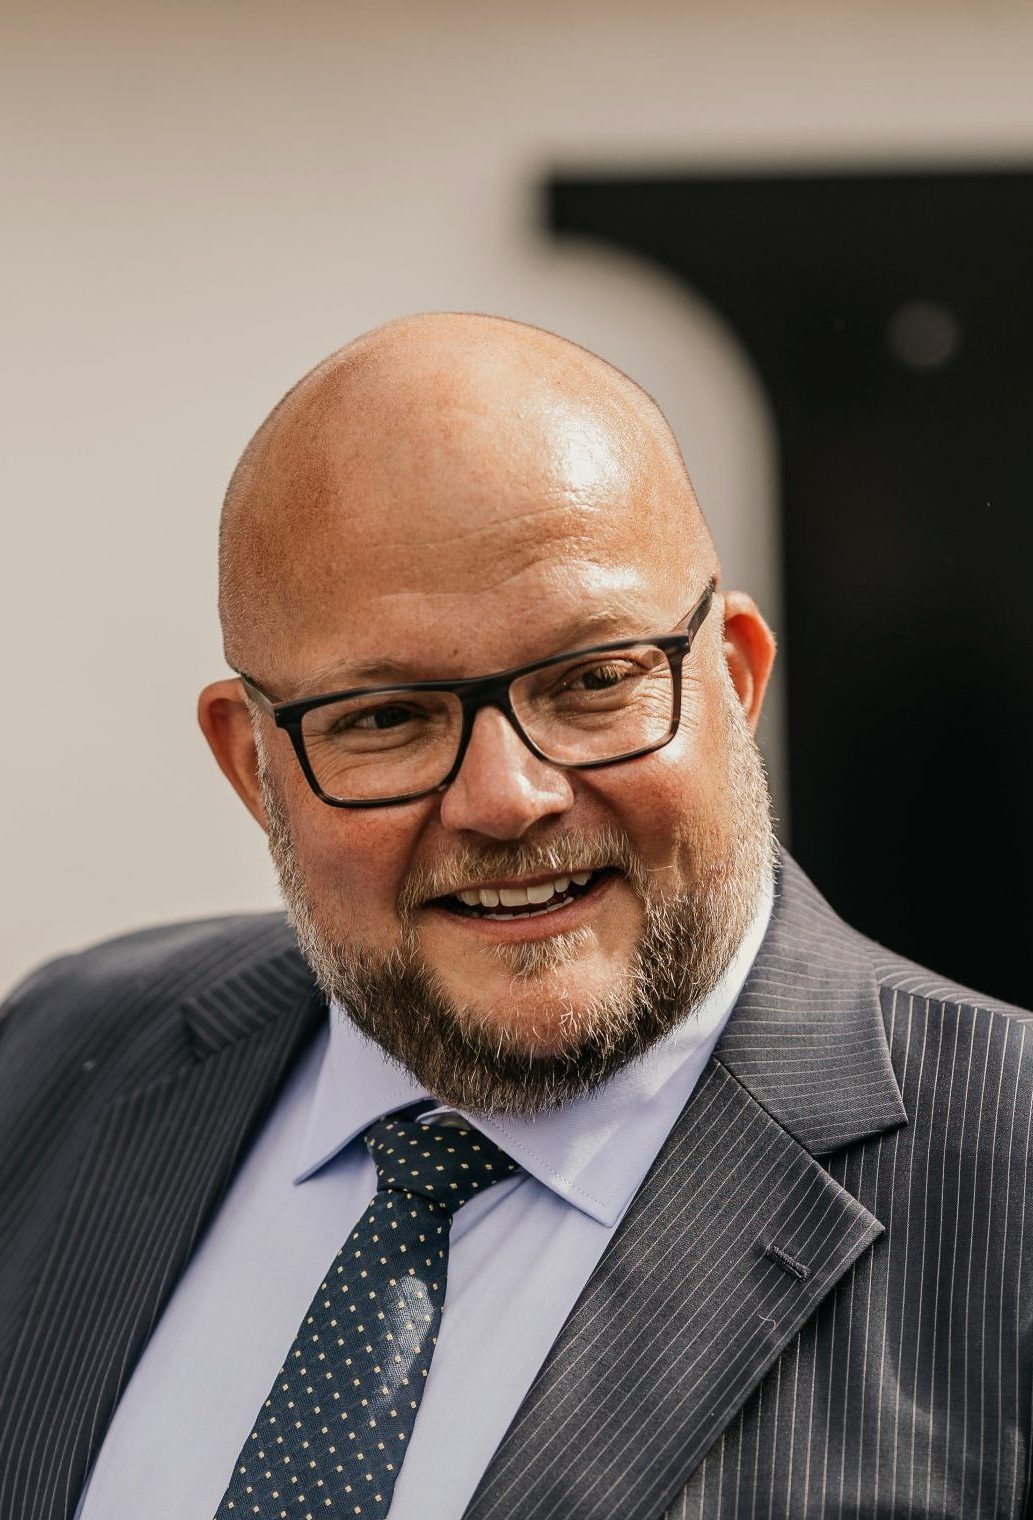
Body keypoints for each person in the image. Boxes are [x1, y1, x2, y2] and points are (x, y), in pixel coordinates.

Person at [0, 314, 1029, 1520]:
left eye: (592, 680)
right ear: (252, 766)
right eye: (387, 716)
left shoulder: (1005, 1190)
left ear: (737, 676)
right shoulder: (57, 1060)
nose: (505, 797)